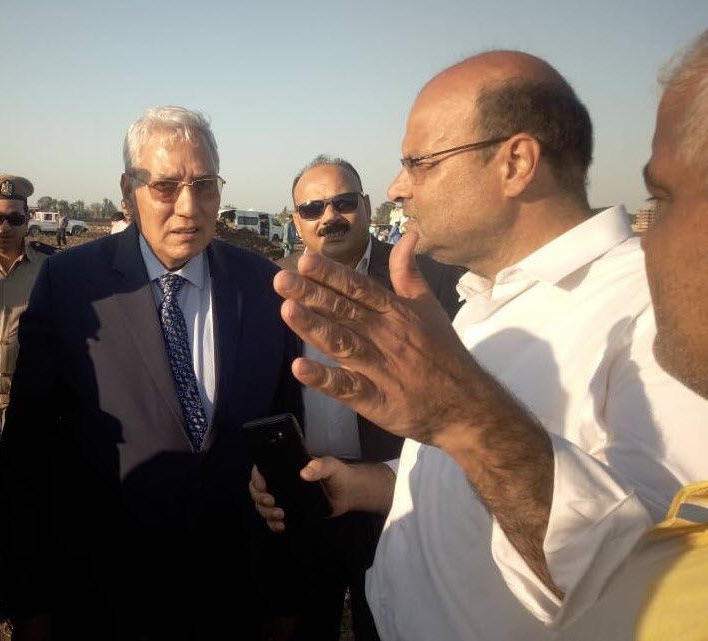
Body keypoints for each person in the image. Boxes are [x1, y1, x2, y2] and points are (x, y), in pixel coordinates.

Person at [252, 50, 708, 640]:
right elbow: (465, 475)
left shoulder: (658, 318)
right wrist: (375, 483)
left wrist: (465, 413)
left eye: (420, 163)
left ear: (515, 163)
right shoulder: (484, 299)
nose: (397, 188)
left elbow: (655, 591)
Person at [0, 106, 302, 641]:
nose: (189, 207)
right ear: (127, 191)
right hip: (105, 593)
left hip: (234, 593)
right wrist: (31, 602)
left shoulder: (261, 285)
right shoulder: (72, 284)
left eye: (204, 186)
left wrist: (284, 600)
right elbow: (29, 451)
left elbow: (282, 439)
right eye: (165, 187)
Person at [554, 29, 708, 641]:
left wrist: (467, 416)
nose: (645, 239)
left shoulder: (631, 309)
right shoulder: (470, 300)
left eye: (660, 199)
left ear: (515, 162)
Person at [272, 155, 462, 641]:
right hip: (310, 493)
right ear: (296, 221)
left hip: (398, 497)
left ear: (366, 205)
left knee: (391, 624)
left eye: (343, 202)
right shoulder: (276, 285)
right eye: (312, 208)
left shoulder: (424, 279)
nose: (329, 216)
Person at [0, 175, 56, 427]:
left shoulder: (51, 267)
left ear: (27, 219)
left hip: (32, 408)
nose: (4, 227)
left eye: (15, 219)